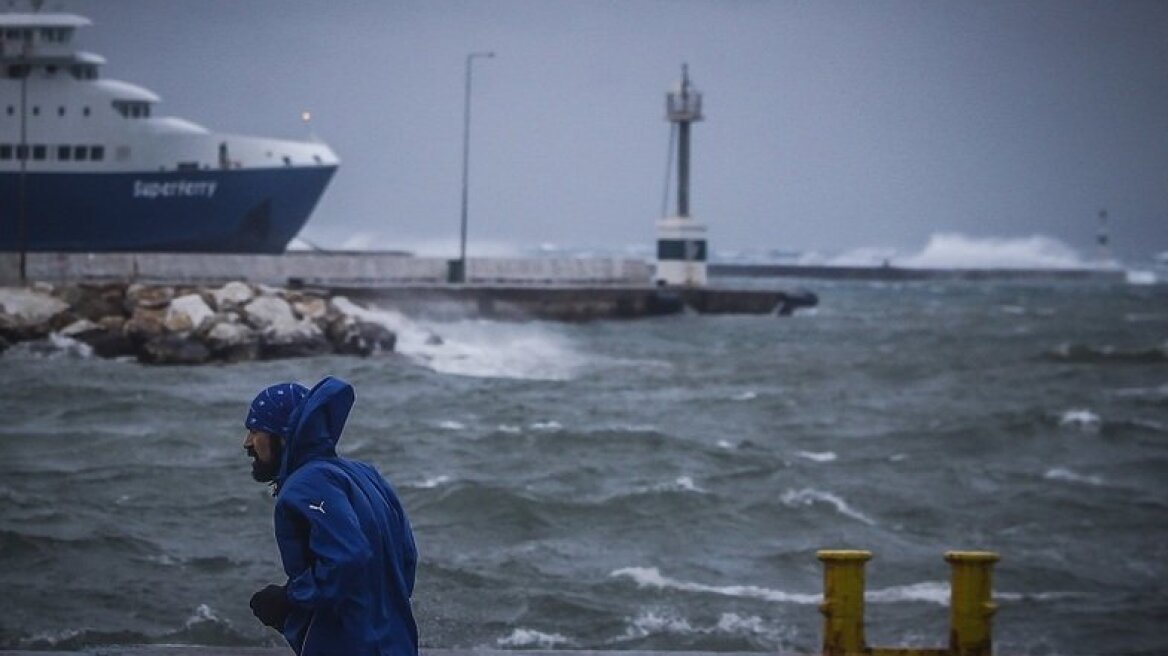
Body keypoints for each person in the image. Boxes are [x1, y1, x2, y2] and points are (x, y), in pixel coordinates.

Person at [243, 376, 419, 656]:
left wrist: (290, 599)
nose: (247, 443)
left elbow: (349, 557)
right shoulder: (366, 474)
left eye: (255, 430)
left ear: (283, 434)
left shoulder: (305, 483)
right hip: (397, 642)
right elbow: (406, 557)